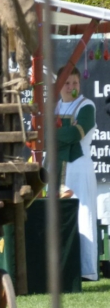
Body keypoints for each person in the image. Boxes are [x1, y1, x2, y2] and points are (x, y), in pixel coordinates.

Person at [55, 66, 98, 281]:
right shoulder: (53, 106)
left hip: (79, 166)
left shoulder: (86, 105)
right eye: (67, 83)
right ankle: (62, 268)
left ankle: (86, 270)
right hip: (56, 167)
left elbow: (75, 133)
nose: (71, 87)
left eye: (75, 83)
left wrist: (53, 134)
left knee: (83, 214)